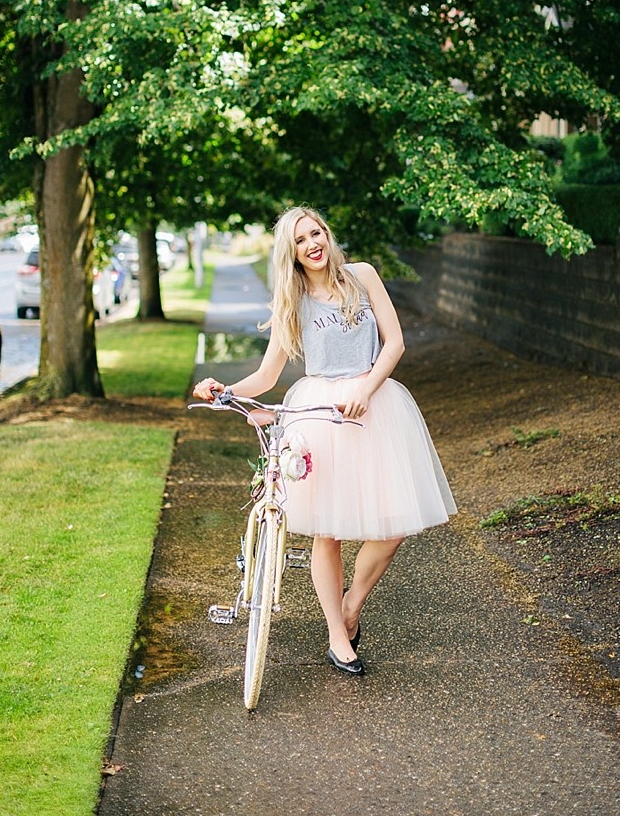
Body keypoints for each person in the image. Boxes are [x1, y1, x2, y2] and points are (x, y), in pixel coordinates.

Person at [193, 206, 456, 677]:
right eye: (300, 240)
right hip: (318, 412)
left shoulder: (363, 276)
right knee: (326, 531)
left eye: (316, 233)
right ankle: (338, 634)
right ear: (290, 253)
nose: (312, 243)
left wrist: (365, 387)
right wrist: (226, 391)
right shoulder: (292, 301)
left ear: (328, 235)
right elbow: (268, 374)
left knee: (392, 525)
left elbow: (394, 343)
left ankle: (351, 605)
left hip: (374, 405)